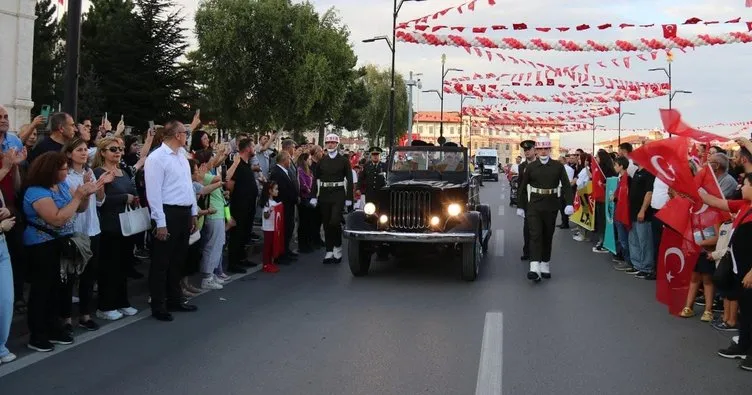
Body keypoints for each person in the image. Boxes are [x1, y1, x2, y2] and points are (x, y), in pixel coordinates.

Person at [144, 121, 199, 322]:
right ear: (177, 134)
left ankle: (175, 299)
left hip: (184, 212)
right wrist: (160, 222)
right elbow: (154, 193)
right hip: (168, 212)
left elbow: (188, 186)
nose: (187, 136)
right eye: (186, 133)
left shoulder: (182, 157)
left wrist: (193, 212)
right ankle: (158, 304)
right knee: (161, 262)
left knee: (177, 260)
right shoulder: (156, 158)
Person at [517, 136, 574, 282]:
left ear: (550, 149)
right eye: (540, 149)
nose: (543, 152)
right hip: (534, 205)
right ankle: (534, 268)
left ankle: (545, 265)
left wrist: (569, 203)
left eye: (545, 149)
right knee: (535, 235)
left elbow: (566, 186)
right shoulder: (530, 167)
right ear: (536, 150)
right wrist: (521, 206)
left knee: (548, 235)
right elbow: (522, 188)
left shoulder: (558, 166)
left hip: (551, 204)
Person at [310, 134, 353, 264]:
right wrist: (313, 196)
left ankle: (337, 248)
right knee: (326, 223)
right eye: (328, 142)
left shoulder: (344, 161)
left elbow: (350, 180)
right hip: (324, 194)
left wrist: (349, 198)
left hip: (338, 194)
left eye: (333, 143)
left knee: (335, 221)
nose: (330, 145)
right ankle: (329, 250)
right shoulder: (322, 161)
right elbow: (315, 179)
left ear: (337, 144)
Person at [517, 140, 536, 260]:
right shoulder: (522, 166)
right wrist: (520, 205)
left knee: (538, 229)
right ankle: (527, 251)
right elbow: (520, 186)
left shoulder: (540, 164)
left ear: (534, 150)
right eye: (525, 150)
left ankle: (537, 251)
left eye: (529, 149)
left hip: (539, 199)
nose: (527, 152)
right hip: (527, 201)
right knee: (527, 228)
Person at [259, 180, 281, 273]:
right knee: (267, 246)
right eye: (275, 189)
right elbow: (266, 215)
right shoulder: (267, 203)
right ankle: (265, 264)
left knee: (272, 246)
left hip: (273, 227)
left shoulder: (273, 202)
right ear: (270, 191)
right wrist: (271, 210)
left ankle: (270, 262)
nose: (277, 191)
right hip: (268, 228)